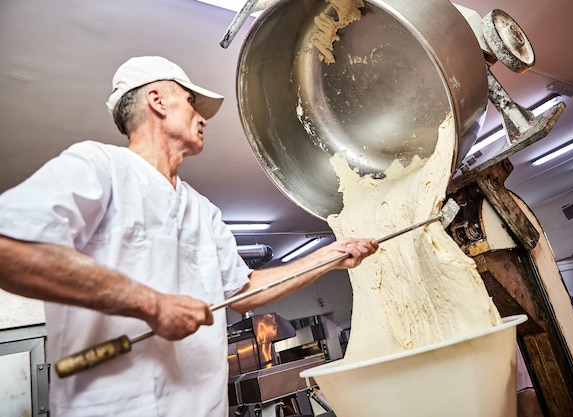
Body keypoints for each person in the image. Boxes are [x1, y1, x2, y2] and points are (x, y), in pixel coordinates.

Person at [0, 56, 379, 417]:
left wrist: (330, 255)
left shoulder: (202, 210)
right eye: (191, 102)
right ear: (157, 101)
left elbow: (246, 290)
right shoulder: (99, 167)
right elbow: (9, 248)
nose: (202, 118)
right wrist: (150, 303)